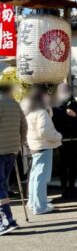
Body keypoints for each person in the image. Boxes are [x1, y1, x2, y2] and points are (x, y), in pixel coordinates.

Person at [22, 86, 62, 215]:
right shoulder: (41, 111)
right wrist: (58, 136)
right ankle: (40, 206)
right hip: (43, 145)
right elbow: (44, 131)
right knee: (41, 177)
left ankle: (33, 202)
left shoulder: (31, 109)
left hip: (35, 145)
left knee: (35, 176)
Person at [52, 83, 77, 199]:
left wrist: (75, 116)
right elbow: (52, 122)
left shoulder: (76, 105)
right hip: (62, 139)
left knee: (73, 165)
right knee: (63, 165)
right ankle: (64, 189)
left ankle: (72, 187)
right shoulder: (54, 106)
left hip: (75, 138)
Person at [0, 82, 27, 234]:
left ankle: (5, 220)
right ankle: (8, 219)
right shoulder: (15, 104)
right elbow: (24, 126)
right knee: (2, 184)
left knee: (0, 186)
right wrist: (19, 144)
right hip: (12, 149)